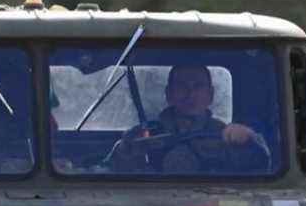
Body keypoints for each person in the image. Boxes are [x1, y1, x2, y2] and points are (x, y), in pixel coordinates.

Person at [109, 65, 270, 173]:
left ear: (210, 95)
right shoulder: (146, 133)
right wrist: (126, 149)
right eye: (181, 86)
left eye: (198, 86)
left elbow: (262, 166)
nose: (190, 94)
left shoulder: (225, 135)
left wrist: (249, 138)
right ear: (169, 94)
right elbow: (116, 172)